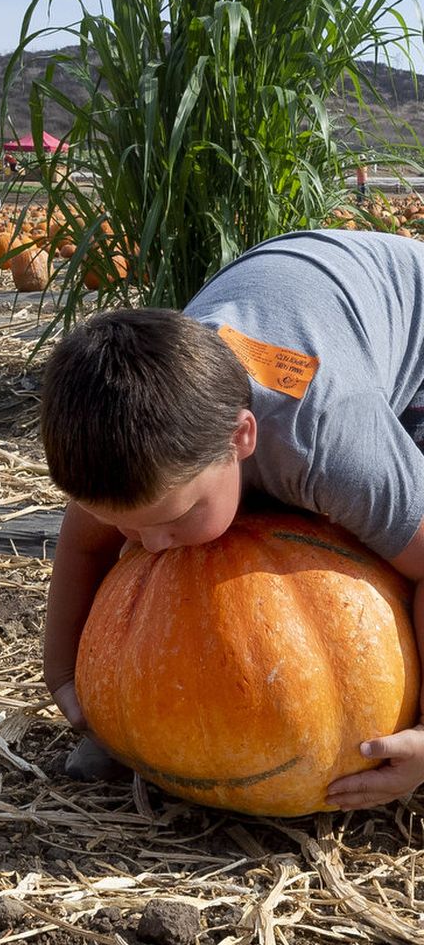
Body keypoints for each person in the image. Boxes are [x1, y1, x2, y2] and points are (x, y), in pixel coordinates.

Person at [39, 228, 424, 810]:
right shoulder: (139, 440)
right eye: (130, 526)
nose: (153, 545)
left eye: (176, 517)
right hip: (293, 294)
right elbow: (84, 541)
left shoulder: (324, 439)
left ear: (241, 438)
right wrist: (66, 676)